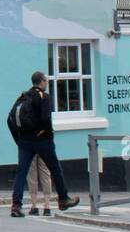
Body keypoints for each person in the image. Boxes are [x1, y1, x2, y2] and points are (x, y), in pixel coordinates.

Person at [8, 70, 80, 217]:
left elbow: (9, 119)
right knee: (55, 169)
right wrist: (49, 136)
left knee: (21, 172)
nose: (47, 83)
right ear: (41, 82)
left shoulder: (22, 97)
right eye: (46, 81)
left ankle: (16, 206)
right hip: (41, 140)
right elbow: (46, 119)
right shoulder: (44, 97)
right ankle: (63, 199)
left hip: (24, 141)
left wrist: (19, 140)